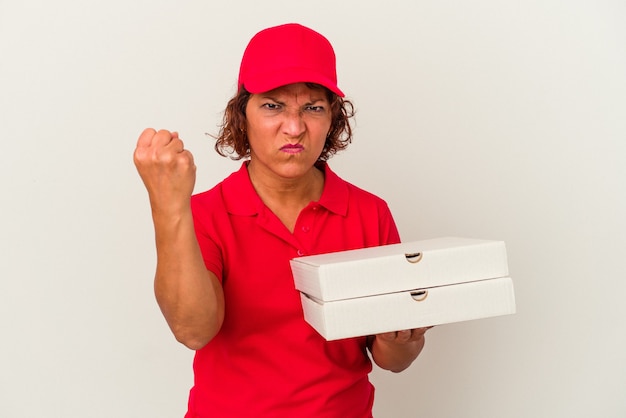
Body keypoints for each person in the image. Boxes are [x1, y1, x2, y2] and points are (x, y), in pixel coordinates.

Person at [133, 23, 430, 418]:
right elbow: (193, 329)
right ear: (243, 116)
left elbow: (392, 359)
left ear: (332, 119)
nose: (294, 127)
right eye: (273, 105)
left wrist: (405, 337)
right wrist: (168, 204)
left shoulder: (368, 213)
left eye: (313, 107)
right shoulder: (204, 213)